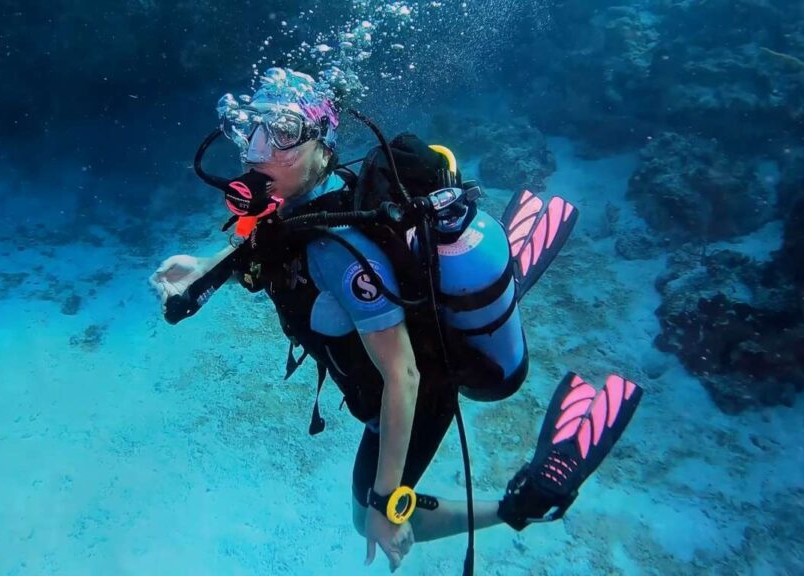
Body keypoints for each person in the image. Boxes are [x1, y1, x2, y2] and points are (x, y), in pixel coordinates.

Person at [150, 68, 642, 573]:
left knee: (368, 520)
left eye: (284, 132)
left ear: (323, 144)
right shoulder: (314, 199)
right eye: (250, 130)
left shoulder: (338, 251)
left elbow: (403, 377)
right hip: (399, 358)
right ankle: (490, 282)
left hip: (422, 394)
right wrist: (208, 267)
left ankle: (521, 506)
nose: (257, 150)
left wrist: (387, 505)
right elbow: (272, 253)